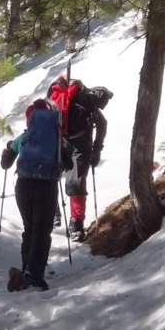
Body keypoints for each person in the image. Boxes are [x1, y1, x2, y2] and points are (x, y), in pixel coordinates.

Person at [1, 99, 73, 292]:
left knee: (30, 228)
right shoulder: (57, 139)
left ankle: (26, 271)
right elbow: (69, 164)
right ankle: (34, 275)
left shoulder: (23, 138)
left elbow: (5, 164)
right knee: (42, 231)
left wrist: (7, 150)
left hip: (23, 186)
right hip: (46, 186)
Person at [48, 74, 111, 241]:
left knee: (51, 177)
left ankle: (54, 214)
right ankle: (76, 224)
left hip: (59, 141)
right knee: (77, 182)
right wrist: (97, 148)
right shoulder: (87, 101)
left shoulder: (59, 99)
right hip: (81, 143)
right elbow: (102, 125)